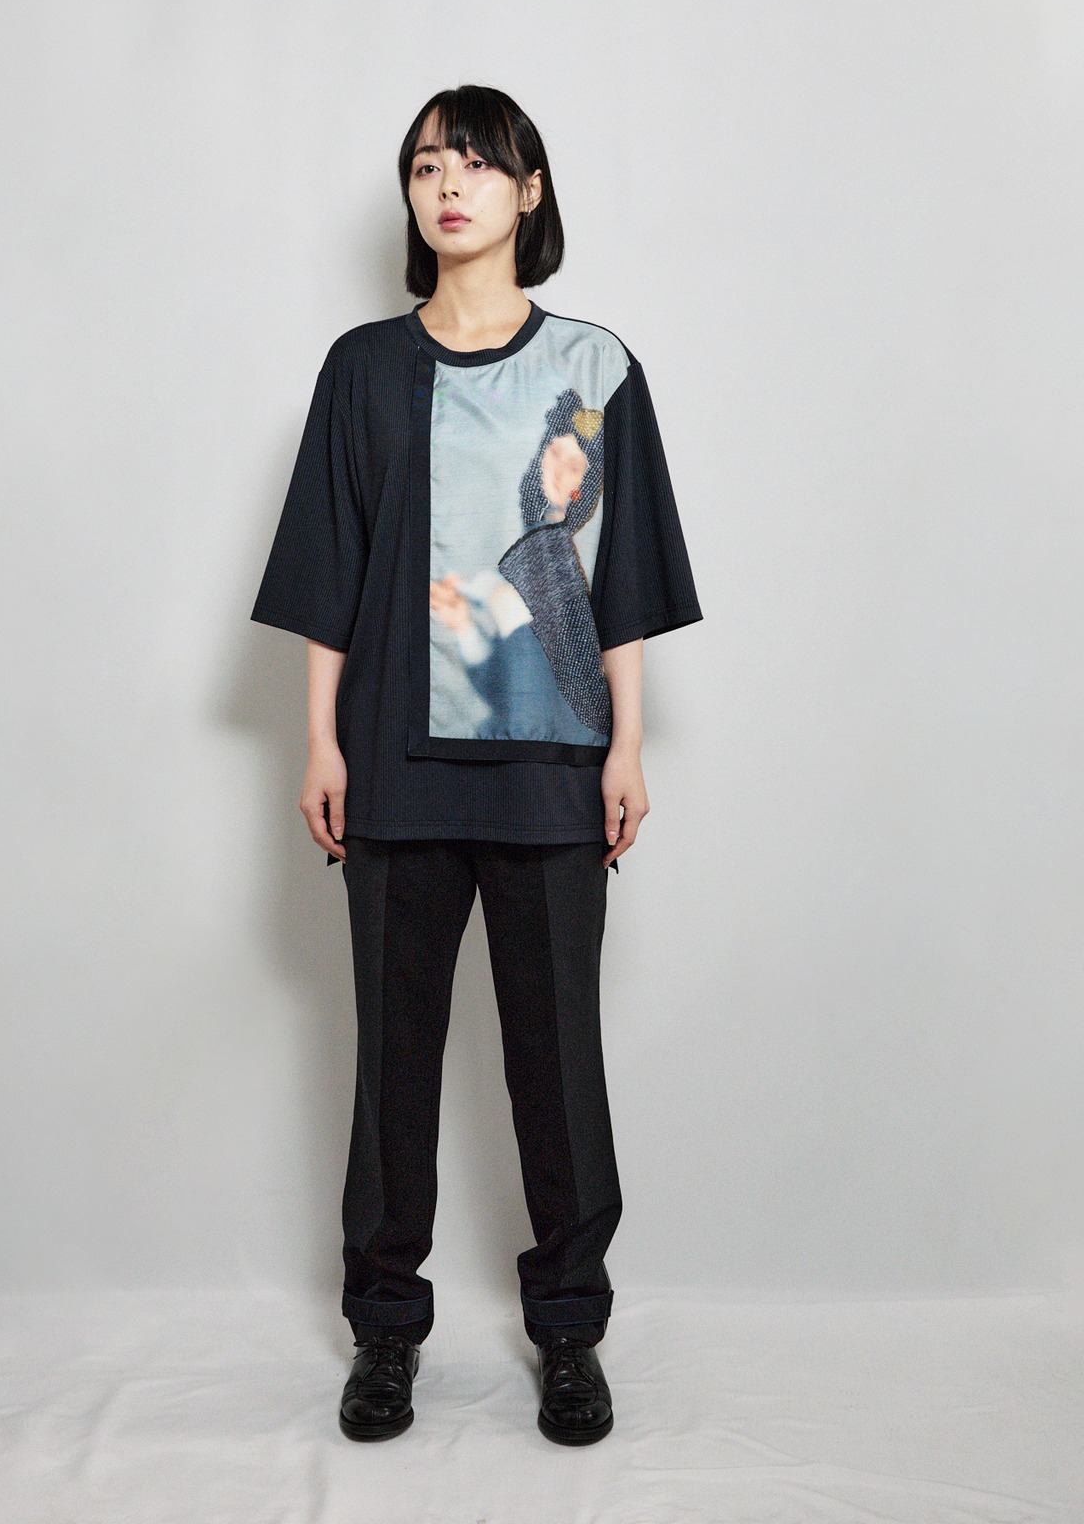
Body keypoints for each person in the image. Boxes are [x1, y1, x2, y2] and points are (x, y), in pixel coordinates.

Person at [249, 84, 703, 1445]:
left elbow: (623, 576)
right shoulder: (361, 370)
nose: (448, 185)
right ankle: (385, 1331)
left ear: (530, 190)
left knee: (558, 1063)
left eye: (477, 163)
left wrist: (627, 746)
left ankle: (570, 1332)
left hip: (555, 767)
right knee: (392, 1066)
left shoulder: (597, 370)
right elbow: (330, 569)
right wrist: (320, 740)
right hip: (393, 760)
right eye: (425, 165)